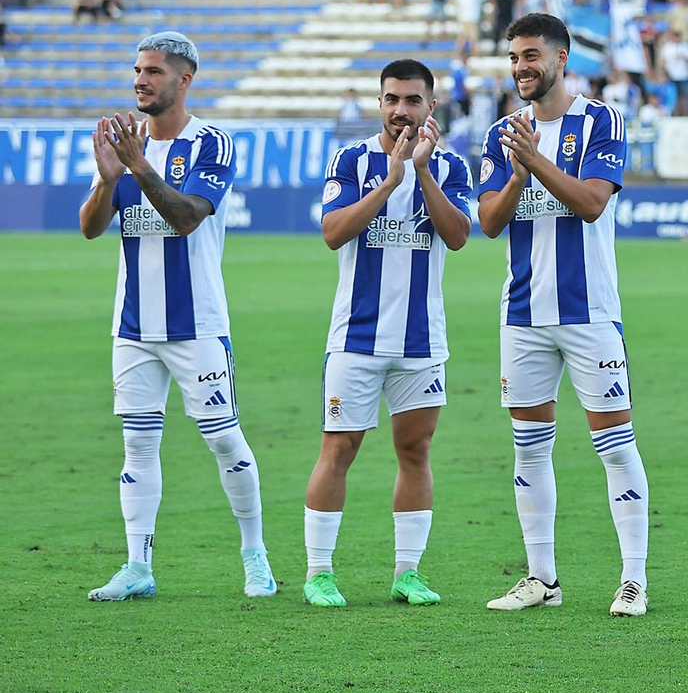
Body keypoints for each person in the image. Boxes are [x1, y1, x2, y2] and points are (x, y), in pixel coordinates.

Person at [77, 32, 278, 602]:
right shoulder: (122, 143)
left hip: (198, 326)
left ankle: (255, 554)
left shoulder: (211, 142)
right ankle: (137, 566)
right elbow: (91, 226)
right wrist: (111, 178)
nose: (141, 80)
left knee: (223, 441)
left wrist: (139, 169)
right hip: (133, 328)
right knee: (137, 446)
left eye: (154, 72)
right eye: (137, 70)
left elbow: (187, 217)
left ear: (184, 80)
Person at [478, 13, 651, 618]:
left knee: (614, 445)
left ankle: (633, 580)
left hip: (590, 312)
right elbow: (491, 222)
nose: (522, 68)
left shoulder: (601, 120)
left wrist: (537, 162)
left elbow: (592, 204)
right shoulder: (503, 132)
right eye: (514, 58)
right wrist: (518, 167)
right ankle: (540, 577)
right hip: (522, 313)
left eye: (532, 56)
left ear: (562, 59)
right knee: (529, 448)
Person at [303, 61, 472, 608]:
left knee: (415, 450)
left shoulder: (449, 166)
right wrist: (391, 180)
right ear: (380, 102)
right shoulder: (351, 160)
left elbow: (458, 236)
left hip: (421, 342)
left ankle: (407, 573)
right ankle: (319, 572)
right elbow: (333, 233)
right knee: (340, 449)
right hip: (355, 338)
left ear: (431, 106)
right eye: (392, 99)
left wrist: (420, 173)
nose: (402, 110)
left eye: (413, 101)